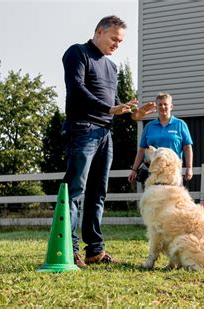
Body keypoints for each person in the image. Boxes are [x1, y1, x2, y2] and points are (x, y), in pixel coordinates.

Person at [61, 15, 156, 268]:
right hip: (82, 130)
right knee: (75, 191)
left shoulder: (112, 67)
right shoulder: (77, 53)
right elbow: (76, 89)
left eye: (120, 41)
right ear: (99, 32)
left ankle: (95, 251)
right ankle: (69, 251)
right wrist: (109, 108)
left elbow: (117, 104)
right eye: (114, 38)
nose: (116, 44)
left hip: (105, 134)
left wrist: (134, 114)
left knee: (98, 193)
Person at [128, 92, 193, 184]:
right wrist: (134, 169)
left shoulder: (180, 124)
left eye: (165, 104)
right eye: (160, 104)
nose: (163, 107)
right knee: (154, 197)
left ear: (171, 107)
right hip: (153, 172)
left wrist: (189, 167)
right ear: (156, 107)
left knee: (172, 197)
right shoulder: (149, 126)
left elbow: (187, 148)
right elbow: (141, 150)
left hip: (173, 172)